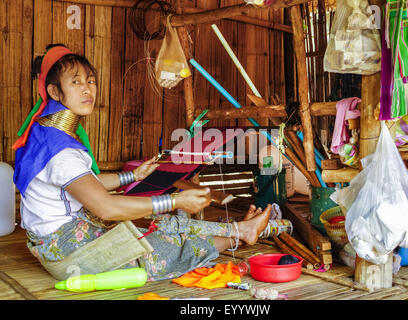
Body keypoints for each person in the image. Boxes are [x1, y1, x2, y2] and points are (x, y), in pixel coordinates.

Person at [13, 44, 271, 281]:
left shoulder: (45, 135)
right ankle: (241, 233)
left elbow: (83, 184)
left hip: (53, 242)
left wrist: (132, 177)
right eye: (76, 81)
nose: (87, 89)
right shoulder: (60, 151)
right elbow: (105, 207)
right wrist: (174, 201)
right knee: (161, 247)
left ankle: (239, 229)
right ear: (54, 91)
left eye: (91, 81)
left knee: (160, 228)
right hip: (69, 254)